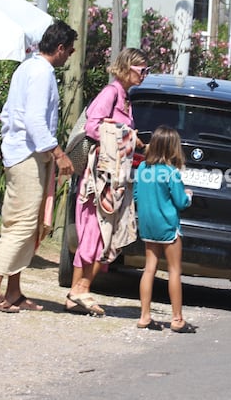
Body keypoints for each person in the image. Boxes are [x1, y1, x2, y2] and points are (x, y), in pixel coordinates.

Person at [0, 20, 76, 313]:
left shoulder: (27, 67)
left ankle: (14, 290)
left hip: (24, 153)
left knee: (28, 224)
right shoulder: (41, 73)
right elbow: (34, 121)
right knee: (21, 225)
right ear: (59, 48)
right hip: (27, 156)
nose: (69, 56)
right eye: (69, 51)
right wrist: (58, 153)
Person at [65, 48, 149, 316]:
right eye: (141, 70)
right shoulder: (111, 93)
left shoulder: (125, 98)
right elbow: (92, 127)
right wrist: (126, 133)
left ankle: (82, 290)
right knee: (92, 233)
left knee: (102, 236)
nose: (145, 75)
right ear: (126, 67)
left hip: (112, 179)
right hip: (99, 178)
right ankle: (77, 291)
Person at [133, 125, 195, 333]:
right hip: (168, 227)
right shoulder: (171, 173)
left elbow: (135, 195)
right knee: (174, 271)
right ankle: (177, 319)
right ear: (172, 148)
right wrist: (189, 196)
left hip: (148, 225)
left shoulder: (142, 168)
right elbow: (180, 202)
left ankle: (144, 315)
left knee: (149, 268)